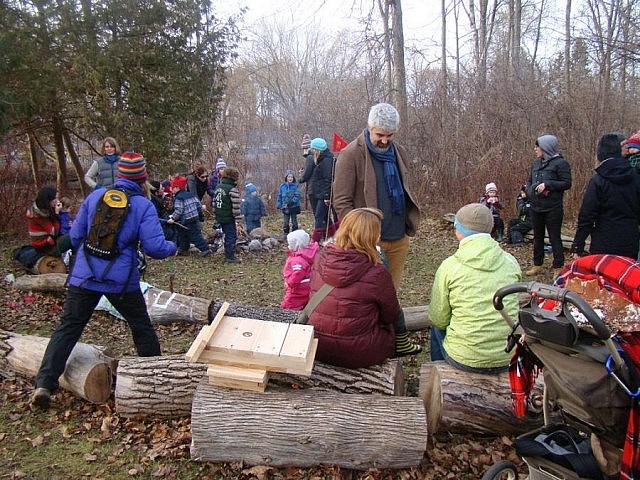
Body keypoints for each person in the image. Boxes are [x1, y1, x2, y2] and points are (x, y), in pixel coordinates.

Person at [31, 152, 177, 409]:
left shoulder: (95, 196)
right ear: (142, 178)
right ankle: (156, 379)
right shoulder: (143, 205)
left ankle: (44, 383)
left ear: (119, 175)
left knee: (68, 328)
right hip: (120, 281)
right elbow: (154, 247)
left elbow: (75, 236)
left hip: (84, 277)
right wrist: (171, 246)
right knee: (141, 326)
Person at [307, 207, 422, 369]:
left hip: (319, 346)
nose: (380, 235)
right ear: (371, 236)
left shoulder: (320, 257)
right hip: (359, 353)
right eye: (378, 232)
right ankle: (403, 344)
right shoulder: (376, 271)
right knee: (390, 314)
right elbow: (390, 314)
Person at [332, 103, 421, 291]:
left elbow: (405, 189)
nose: (385, 141)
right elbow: (341, 201)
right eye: (380, 135)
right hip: (367, 242)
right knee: (367, 295)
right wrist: (360, 233)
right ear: (369, 128)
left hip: (399, 237)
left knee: (391, 293)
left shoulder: (399, 152)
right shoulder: (350, 155)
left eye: (390, 135)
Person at [429, 203, 521, 373]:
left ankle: (438, 370)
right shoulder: (511, 262)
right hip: (508, 355)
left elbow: (438, 319)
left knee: (436, 328)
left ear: (458, 230)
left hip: (464, 358)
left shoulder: (450, 266)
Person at [570, 133, 640, 260]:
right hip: (630, 241)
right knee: (625, 279)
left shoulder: (598, 180)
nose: (627, 147)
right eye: (624, 145)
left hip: (604, 242)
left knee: (603, 279)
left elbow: (587, 216)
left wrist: (578, 244)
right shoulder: (635, 177)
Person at [524, 134, 572, 276]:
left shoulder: (561, 163)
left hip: (553, 207)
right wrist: (529, 191)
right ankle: (537, 264)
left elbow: (567, 183)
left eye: (537, 147)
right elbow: (529, 181)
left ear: (545, 147)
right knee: (537, 237)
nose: (535, 149)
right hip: (535, 206)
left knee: (554, 237)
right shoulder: (536, 163)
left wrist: (548, 185)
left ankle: (558, 266)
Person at [299, 138, 335, 243]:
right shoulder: (321, 159)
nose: (311, 151)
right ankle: (332, 237)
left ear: (317, 150)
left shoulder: (326, 161)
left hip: (323, 195)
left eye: (313, 149)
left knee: (319, 217)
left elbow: (328, 179)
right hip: (321, 193)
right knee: (324, 216)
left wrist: (327, 196)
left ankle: (316, 241)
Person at [167, 176, 211, 257]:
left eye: (172, 187)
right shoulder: (190, 194)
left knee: (194, 236)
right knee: (183, 235)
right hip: (194, 217)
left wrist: (172, 218)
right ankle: (183, 248)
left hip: (187, 219)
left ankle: (205, 249)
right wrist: (200, 214)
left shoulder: (179, 198)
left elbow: (179, 210)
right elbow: (198, 205)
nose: (171, 189)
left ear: (177, 188)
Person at [26, 186, 71, 257]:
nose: (57, 200)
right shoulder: (37, 215)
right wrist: (57, 213)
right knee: (72, 237)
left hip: (51, 240)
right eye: (55, 198)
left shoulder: (47, 209)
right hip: (45, 246)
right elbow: (54, 232)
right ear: (48, 200)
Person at [281, 229, 319, 310]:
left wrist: (289, 283)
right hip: (304, 286)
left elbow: (297, 274)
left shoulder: (298, 260)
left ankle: (290, 315)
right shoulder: (304, 255)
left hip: (297, 288)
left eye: (290, 244)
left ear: (297, 245)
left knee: (290, 303)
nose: (288, 246)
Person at [213, 166, 243, 264]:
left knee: (226, 235)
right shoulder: (232, 189)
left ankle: (228, 253)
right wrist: (238, 221)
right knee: (231, 236)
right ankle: (229, 256)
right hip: (228, 217)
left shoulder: (218, 187)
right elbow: (236, 207)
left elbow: (214, 203)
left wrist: (216, 214)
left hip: (219, 216)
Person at [276, 170, 302, 236]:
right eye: (289, 177)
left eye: (291, 177)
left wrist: (292, 202)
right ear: (286, 178)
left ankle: (295, 234)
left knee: (294, 222)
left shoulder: (296, 186)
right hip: (285, 207)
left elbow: (297, 195)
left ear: (293, 178)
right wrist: (279, 204)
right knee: (286, 222)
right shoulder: (282, 186)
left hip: (294, 207)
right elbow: (279, 196)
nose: (290, 178)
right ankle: (286, 234)